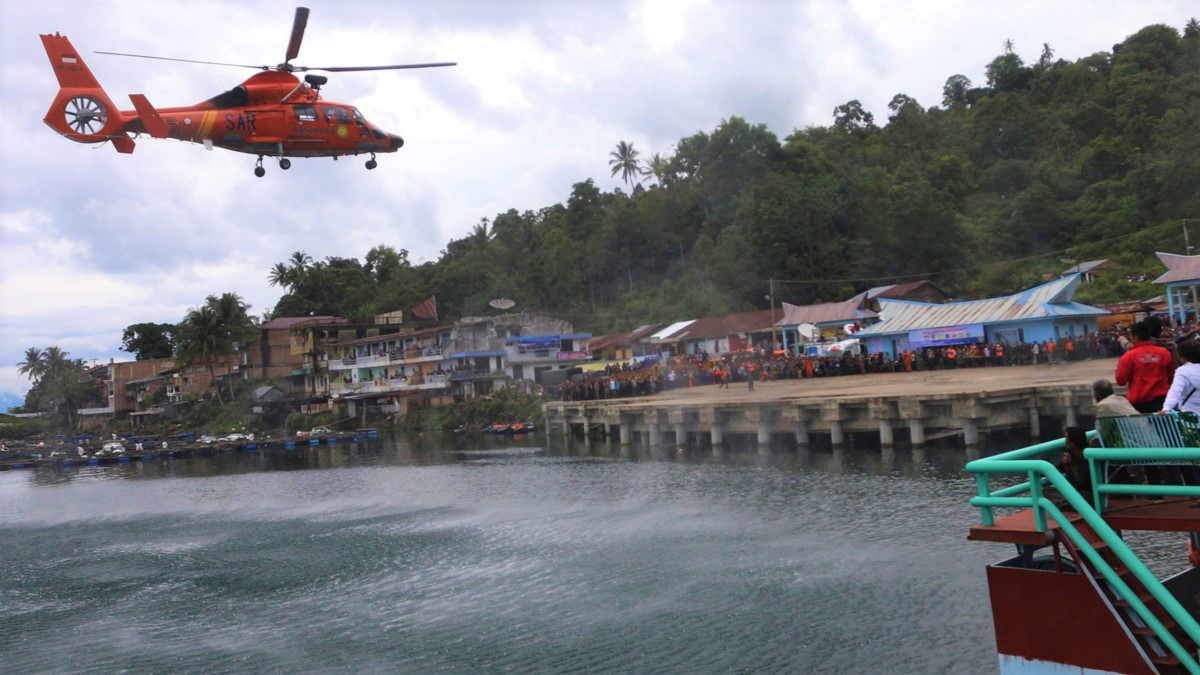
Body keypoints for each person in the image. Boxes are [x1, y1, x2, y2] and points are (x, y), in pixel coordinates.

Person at [1115, 321, 1174, 414]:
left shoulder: (1128, 357)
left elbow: (1121, 380)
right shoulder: (1164, 353)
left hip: (1139, 405)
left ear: (1135, 337)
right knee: (1164, 428)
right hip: (1162, 402)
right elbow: (1171, 377)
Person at [1163, 339, 1200, 415]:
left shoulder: (1183, 371)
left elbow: (1175, 391)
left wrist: (1166, 408)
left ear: (1182, 357)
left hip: (1189, 415)